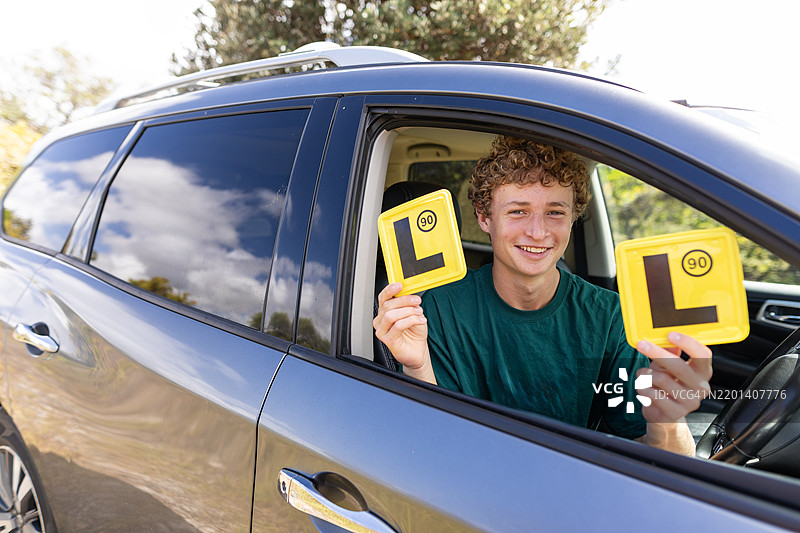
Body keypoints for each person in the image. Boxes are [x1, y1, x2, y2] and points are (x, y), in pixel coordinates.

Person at [373, 135, 712, 456]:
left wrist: (668, 418)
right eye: (518, 211)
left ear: (572, 218)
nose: (538, 232)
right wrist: (416, 366)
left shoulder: (610, 316)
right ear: (484, 217)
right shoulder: (434, 309)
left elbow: (659, 458)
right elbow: (432, 447)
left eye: (555, 212)